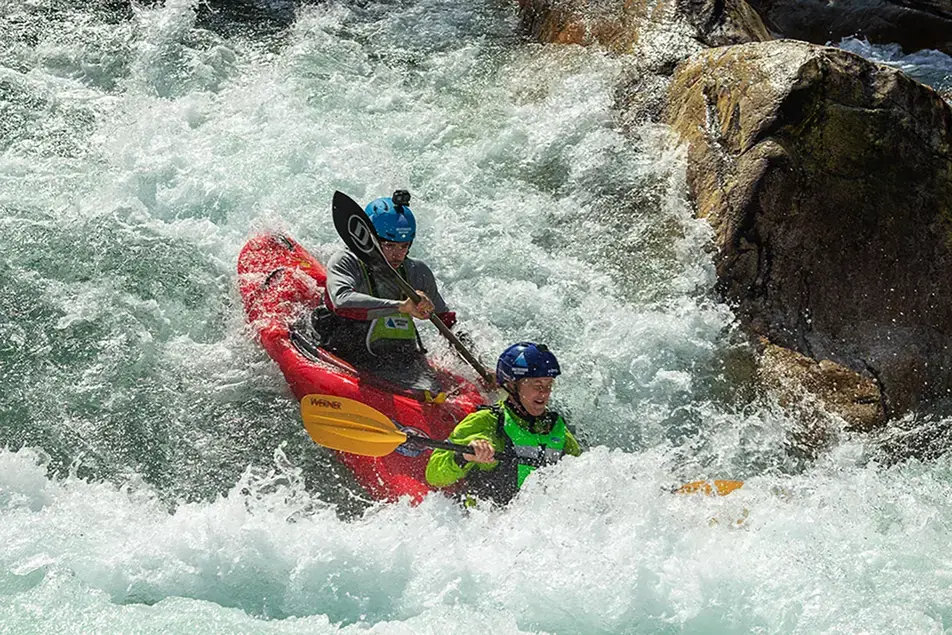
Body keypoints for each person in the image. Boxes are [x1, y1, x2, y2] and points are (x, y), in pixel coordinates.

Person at [312, 190, 458, 368]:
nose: (398, 254)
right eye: (389, 245)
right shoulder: (346, 261)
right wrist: (402, 306)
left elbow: (447, 322)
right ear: (369, 239)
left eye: (404, 246)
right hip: (344, 351)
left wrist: (477, 364)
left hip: (394, 358)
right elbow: (341, 302)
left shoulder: (418, 272)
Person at [425, 342, 581, 505]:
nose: (544, 393)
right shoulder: (486, 421)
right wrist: (463, 457)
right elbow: (433, 475)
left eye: (549, 385)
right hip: (487, 523)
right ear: (512, 386)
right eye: (537, 385)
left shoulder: (556, 429)